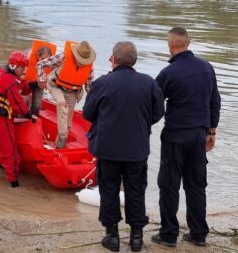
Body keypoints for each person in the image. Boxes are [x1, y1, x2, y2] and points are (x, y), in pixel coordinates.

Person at [83, 41, 164, 252]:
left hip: (108, 148)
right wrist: (140, 124)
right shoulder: (149, 84)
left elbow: (87, 114)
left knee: (109, 190)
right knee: (136, 191)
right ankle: (136, 238)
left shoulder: (102, 83)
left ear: (115, 59)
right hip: (136, 149)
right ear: (134, 60)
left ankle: (112, 236)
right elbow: (157, 113)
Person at [151, 27, 221, 248]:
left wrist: (144, 125)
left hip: (175, 135)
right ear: (188, 43)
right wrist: (212, 131)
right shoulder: (206, 67)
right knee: (196, 185)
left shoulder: (168, 73)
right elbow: (215, 100)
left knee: (169, 184)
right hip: (199, 134)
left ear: (170, 45)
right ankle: (198, 234)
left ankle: (169, 234)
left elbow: (154, 104)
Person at [0, 51, 32, 188]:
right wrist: (28, 114)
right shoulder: (9, 81)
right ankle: (14, 183)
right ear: (14, 67)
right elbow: (17, 102)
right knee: (10, 151)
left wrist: (27, 84)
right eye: (22, 68)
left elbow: (23, 89)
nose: (24, 70)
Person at [37, 40, 96, 148]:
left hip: (73, 91)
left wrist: (92, 102)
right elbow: (41, 64)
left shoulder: (89, 67)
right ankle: (63, 136)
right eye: (80, 60)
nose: (82, 63)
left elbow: (89, 87)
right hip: (56, 86)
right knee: (61, 104)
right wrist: (41, 79)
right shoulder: (63, 56)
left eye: (84, 61)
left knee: (68, 122)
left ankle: (59, 145)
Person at [24, 40, 57, 115]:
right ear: (38, 57)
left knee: (37, 105)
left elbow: (53, 78)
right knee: (24, 102)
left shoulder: (52, 65)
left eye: (47, 59)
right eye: (42, 59)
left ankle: (34, 116)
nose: (44, 61)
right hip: (26, 83)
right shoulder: (27, 59)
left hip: (39, 84)